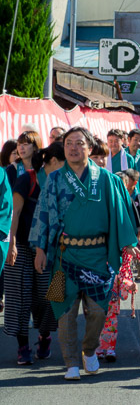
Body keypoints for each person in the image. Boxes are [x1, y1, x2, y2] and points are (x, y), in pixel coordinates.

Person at [30, 127, 140, 380]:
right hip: (63, 256)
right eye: (69, 143)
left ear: (90, 148)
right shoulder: (54, 179)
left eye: (79, 143)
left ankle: (89, 350)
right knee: (64, 310)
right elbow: (43, 215)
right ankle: (70, 363)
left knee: (100, 309)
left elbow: (122, 215)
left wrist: (128, 243)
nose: (73, 148)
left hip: (98, 256)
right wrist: (39, 249)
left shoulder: (108, 180)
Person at [3, 144, 63, 365]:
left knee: (51, 297)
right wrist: (11, 245)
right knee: (20, 298)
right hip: (21, 247)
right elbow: (14, 213)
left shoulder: (63, 183)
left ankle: (45, 336)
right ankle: (23, 346)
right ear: (54, 162)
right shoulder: (28, 179)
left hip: (51, 249)